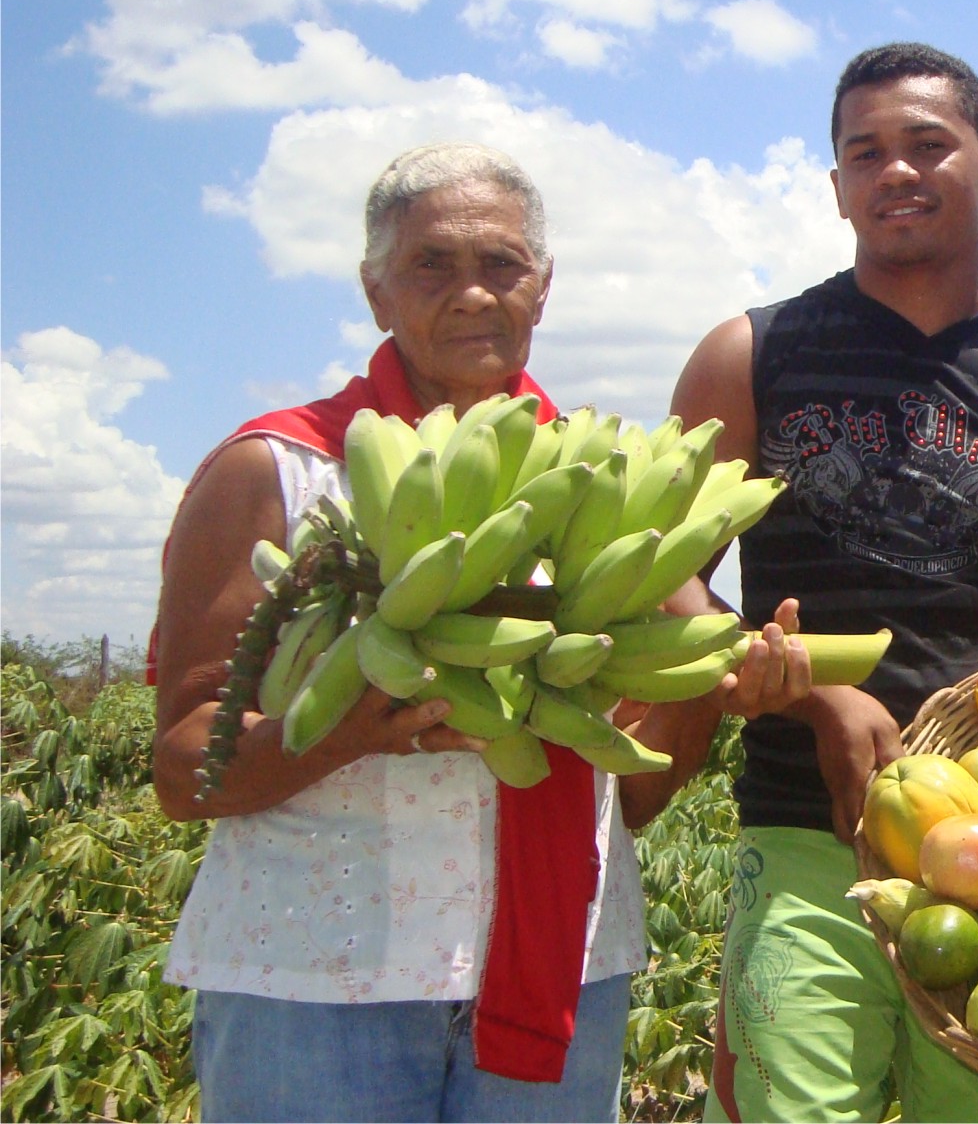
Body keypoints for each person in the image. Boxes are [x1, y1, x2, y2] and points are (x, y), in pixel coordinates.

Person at [150, 142, 807, 1122]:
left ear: (542, 288)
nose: (470, 293)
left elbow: (625, 801)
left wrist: (714, 691)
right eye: (431, 265)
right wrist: (351, 726)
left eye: (500, 265)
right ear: (376, 292)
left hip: (560, 978)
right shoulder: (280, 471)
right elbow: (182, 767)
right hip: (313, 986)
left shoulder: (605, 488)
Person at [660, 42, 978, 1122]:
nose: (896, 171)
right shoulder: (749, 357)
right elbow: (659, 581)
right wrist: (808, 689)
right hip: (800, 837)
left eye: (930, 144)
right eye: (865, 151)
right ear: (837, 188)